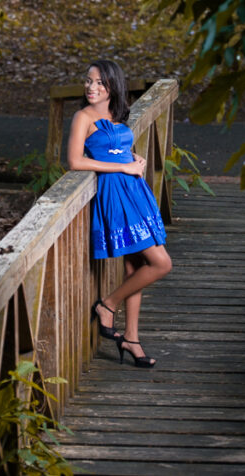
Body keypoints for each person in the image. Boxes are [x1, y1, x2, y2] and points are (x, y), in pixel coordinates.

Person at [66, 59, 172, 367]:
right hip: (116, 194)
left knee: (135, 266)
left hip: (135, 193)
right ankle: (108, 305)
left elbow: (121, 146)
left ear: (113, 87)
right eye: (88, 81)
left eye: (99, 83)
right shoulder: (82, 117)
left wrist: (133, 158)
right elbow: (75, 161)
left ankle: (132, 339)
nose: (91, 87)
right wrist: (122, 166)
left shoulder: (117, 115)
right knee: (161, 263)